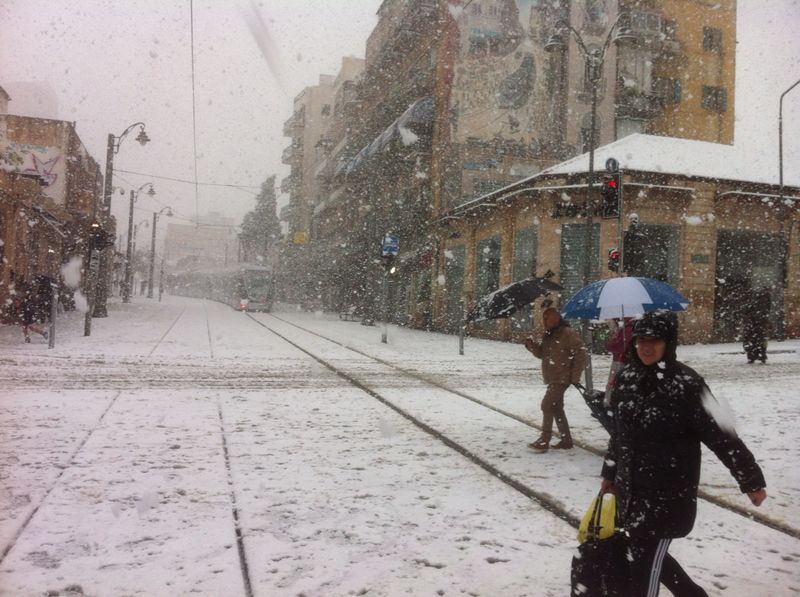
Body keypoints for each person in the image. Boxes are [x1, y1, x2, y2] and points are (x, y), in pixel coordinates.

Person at [600, 310, 767, 596]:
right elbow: (619, 435)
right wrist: (610, 474)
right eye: (641, 340)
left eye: (655, 340)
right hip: (633, 493)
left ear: (669, 343)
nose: (646, 347)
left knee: (643, 573)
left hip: (668, 495)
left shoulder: (687, 385)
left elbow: (722, 435)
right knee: (650, 558)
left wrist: (750, 479)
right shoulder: (627, 379)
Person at [523, 307, 587, 451]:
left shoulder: (567, 333)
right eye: (543, 317)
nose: (544, 321)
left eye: (547, 318)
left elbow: (581, 352)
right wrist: (532, 346)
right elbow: (542, 354)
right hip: (553, 377)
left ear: (557, 318)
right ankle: (566, 440)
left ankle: (544, 440)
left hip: (562, 377)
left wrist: (575, 376)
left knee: (546, 405)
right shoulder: (549, 334)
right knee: (556, 408)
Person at [605, 316, 635, 394]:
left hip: (620, 361)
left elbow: (616, 347)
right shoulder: (629, 326)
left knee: (614, 386)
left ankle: (610, 403)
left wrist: (613, 333)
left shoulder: (626, 328)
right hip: (624, 360)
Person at [741, 287, 771, 364]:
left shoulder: (760, 303)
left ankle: (754, 357)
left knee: (754, 341)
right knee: (759, 342)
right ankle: (758, 356)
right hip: (757, 327)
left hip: (755, 327)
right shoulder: (762, 303)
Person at [16, 278, 48, 343]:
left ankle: (41, 333)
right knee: (28, 327)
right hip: (27, 312)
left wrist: (22, 309)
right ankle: (40, 334)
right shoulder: (26, 296)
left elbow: (26, 304)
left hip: (28, 313)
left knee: (28, 327)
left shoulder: (26, 298)